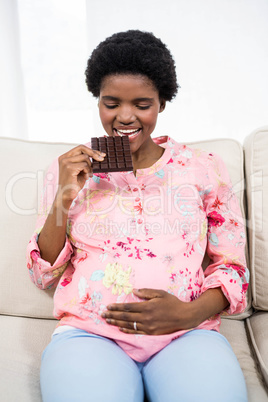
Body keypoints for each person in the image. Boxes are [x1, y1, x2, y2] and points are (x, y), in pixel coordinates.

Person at [27, 30, 249, 401]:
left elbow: (233, 268)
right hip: (90, 334)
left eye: (142, 104)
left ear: (162, 103)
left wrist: (188, 315)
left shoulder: (204, 168)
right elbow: (43, 270)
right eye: (111, 102)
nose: (125, 116)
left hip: (187, 334)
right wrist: (66, 192)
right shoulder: (68, 169)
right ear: (97, 101)